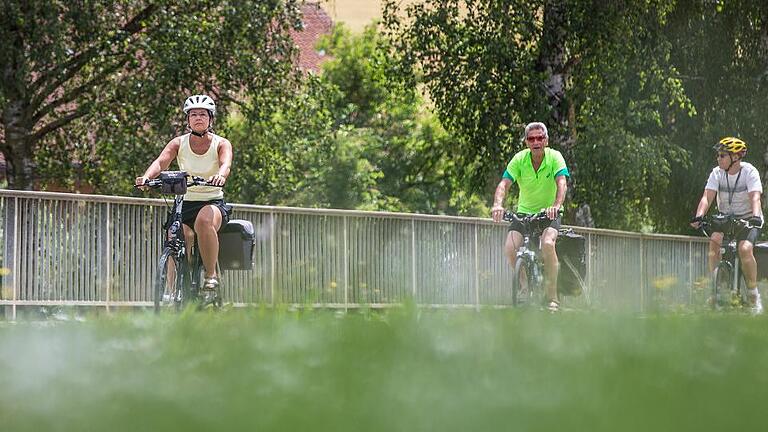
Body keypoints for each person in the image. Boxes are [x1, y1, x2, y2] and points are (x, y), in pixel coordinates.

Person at [135, 94, 233, 299]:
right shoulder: (178, 143)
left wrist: (220, 176)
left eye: (203, 114)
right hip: (184, 202)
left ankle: (210, 276)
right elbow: (161, 162)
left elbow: (226, 164)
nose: (198, 118)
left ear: (210, 119)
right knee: (177, 235)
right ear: (188, 120)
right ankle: (173, 291)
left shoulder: (221, 143)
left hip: (212, 202)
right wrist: (146, 177)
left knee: (204, 222)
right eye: (194, 114)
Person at [491, 122, 569, 312]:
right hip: (524, 214)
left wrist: (556, 206)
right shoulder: (519, 159)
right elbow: (504, 184)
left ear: (546, 140)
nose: (536, 142)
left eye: (540, 138)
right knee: (510, 247)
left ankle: (552, 297)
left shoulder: (555, 157)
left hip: (548, 214)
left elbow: (562, 183)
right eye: (531, 139)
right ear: (526, 142)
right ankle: (525, 288)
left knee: (548, 244)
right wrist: (497, 205)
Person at [690, 137, 763, 314]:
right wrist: (699, 215)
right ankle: (716, 292)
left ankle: (754, 295)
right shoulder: (716, 173)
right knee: (714, 240)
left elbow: (755, 197)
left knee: (745, 249)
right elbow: (707, 197)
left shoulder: (749, 172)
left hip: (748, 218)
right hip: (726, 219)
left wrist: (755, 216)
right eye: (718, 155)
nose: (718, 158)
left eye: (722, 155)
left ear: (735, 157)